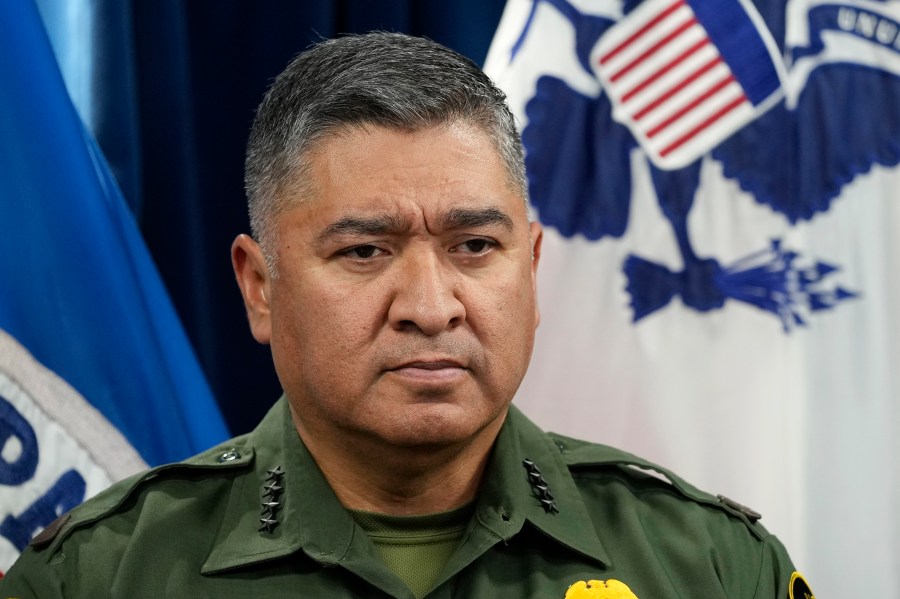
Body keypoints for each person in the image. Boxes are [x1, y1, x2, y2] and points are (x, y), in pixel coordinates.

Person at [0, 32, 813, 599]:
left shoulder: (706, 567)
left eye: (474, 246)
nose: (430, 307)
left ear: (530, 269)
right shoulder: (99, 578)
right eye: (365, 252)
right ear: (260, 286)